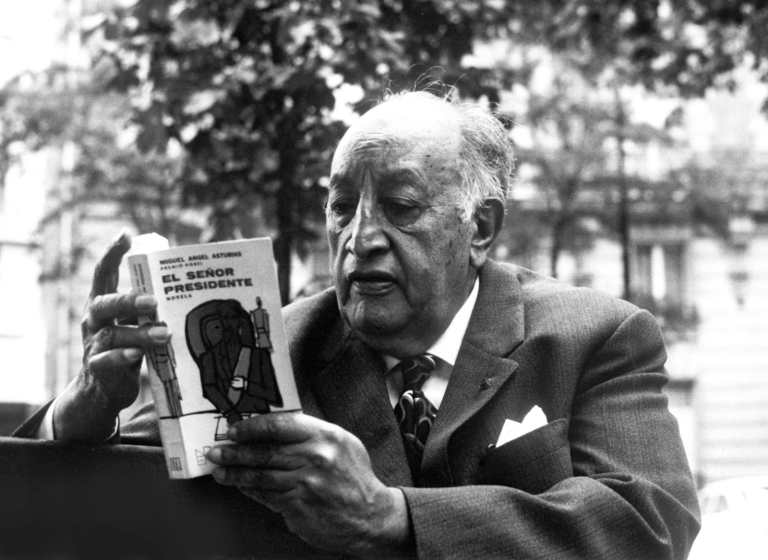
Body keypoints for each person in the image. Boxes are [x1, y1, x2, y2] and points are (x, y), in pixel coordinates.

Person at [15, 91, 700, 558]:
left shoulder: (598, 336)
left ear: (480, 228)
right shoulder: (270, 344)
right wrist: (84, 411)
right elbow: (90, 491)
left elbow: (650, 523)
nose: (360, 238)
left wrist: (394, 517)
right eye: (342, 207)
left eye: (400, 206)